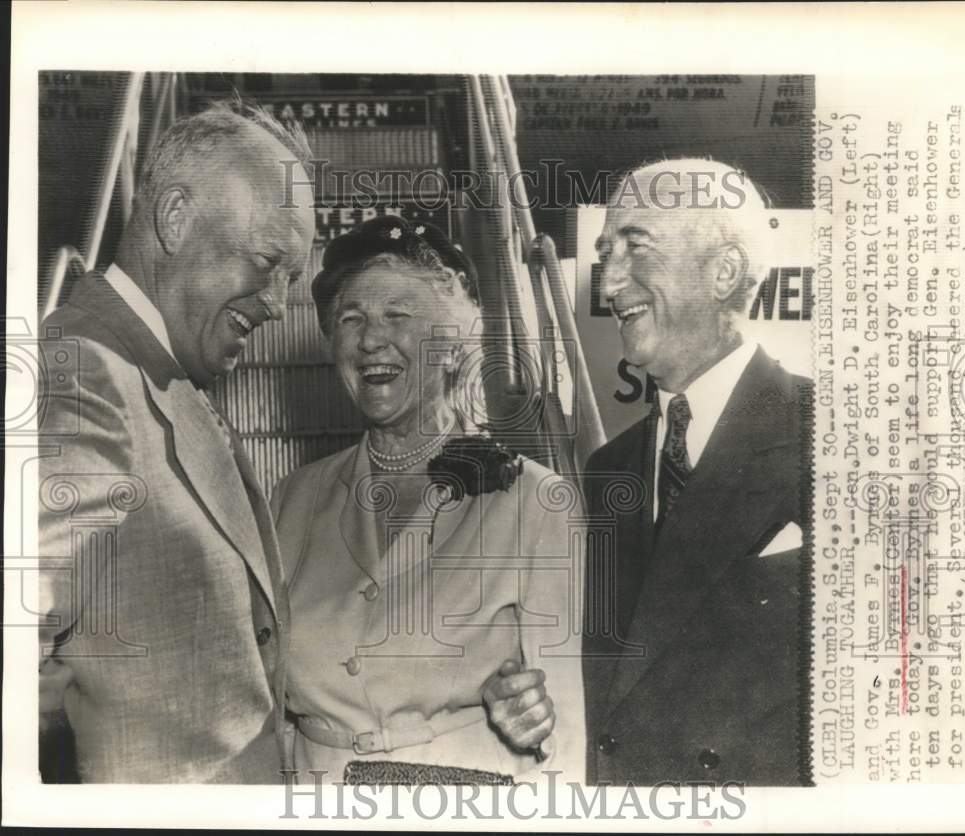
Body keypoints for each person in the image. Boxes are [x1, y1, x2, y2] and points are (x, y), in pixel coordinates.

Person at [37, 100, 316, 782]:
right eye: (265, 261)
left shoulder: (161, 377)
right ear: (174, 219)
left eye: (293, 279)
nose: (279, 304)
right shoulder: (81, 376)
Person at [270, 215, 585, 784]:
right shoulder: (290, 500)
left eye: (398, 315)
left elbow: (565, 739)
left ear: (452, 344)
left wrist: (534, 727)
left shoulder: (533, 501)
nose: (370, 339)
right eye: (350, 319)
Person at [581, 159, 811, 785]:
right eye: (605, 253)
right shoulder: (606, 471)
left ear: (724, 272)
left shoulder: (839, 440)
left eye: (635, 245)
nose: (608, 285)